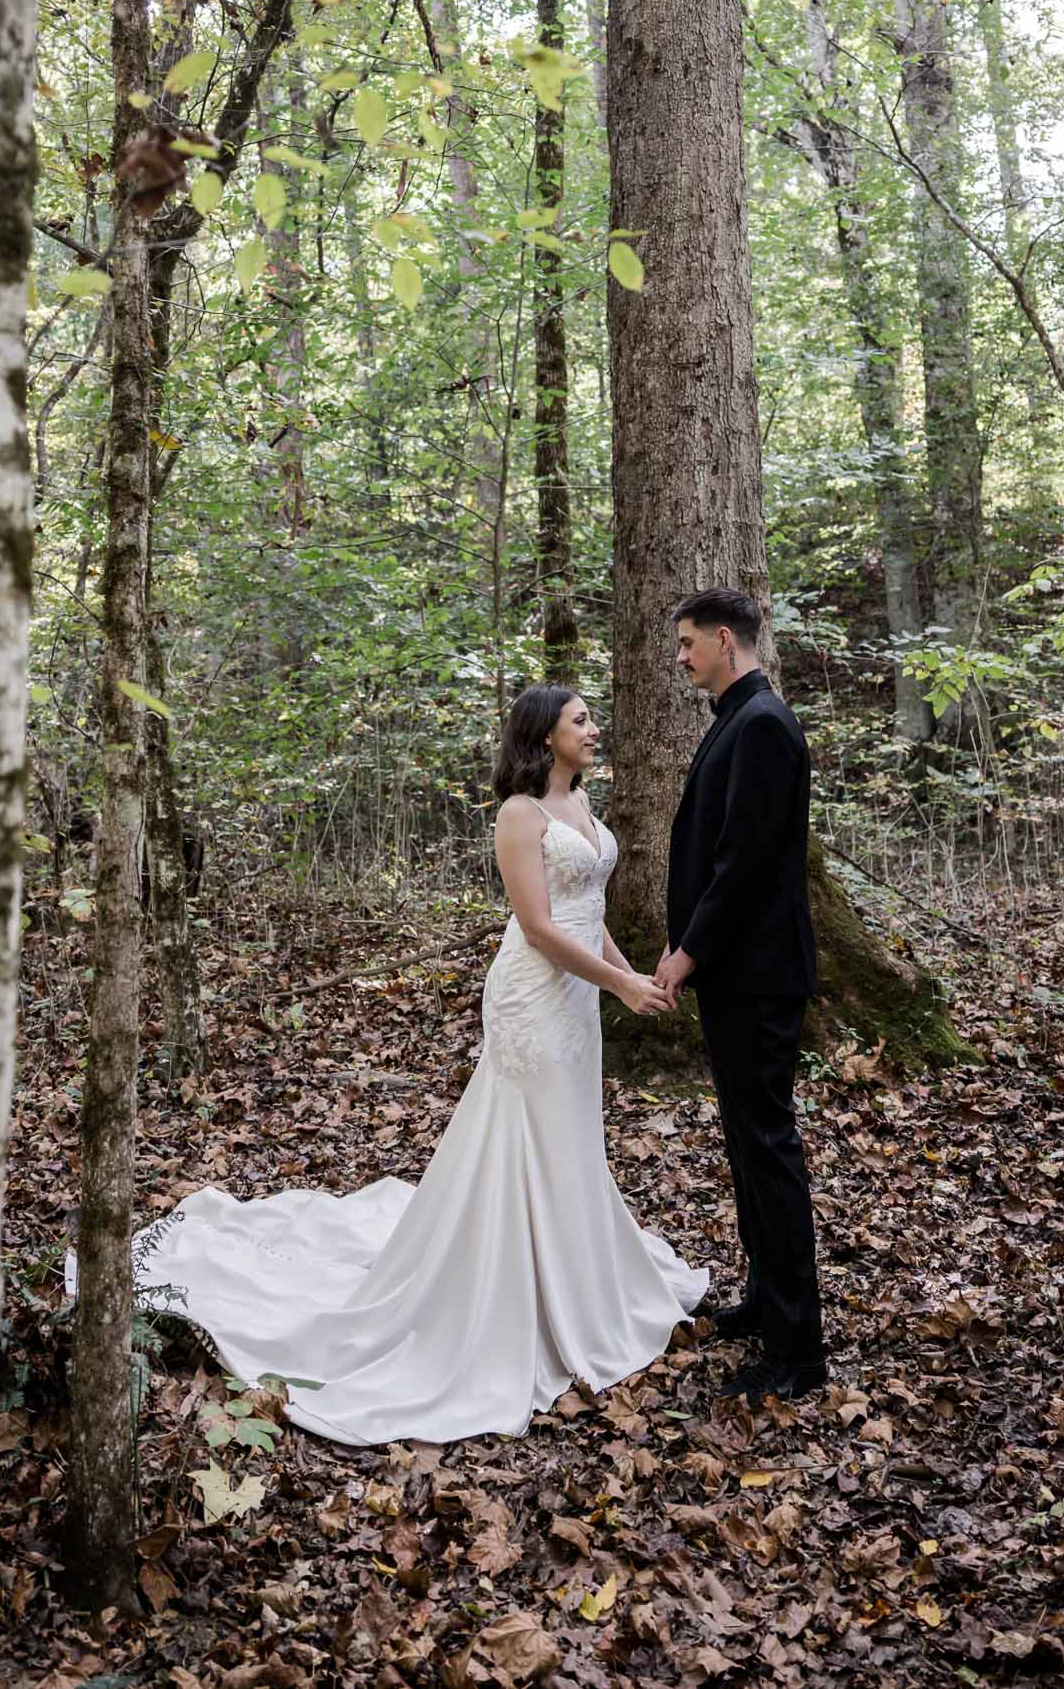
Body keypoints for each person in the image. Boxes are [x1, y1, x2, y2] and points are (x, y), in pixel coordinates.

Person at [106, 684, 705, 1446]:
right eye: (579, 719)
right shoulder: (520, 816)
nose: (594, 729)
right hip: (532, 996)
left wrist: (632, 981)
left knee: (571, 1136)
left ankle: (578, 1276)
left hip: (579, 999)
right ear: (542, 735)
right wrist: (617, 981)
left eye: (589, 718)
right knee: (528, 1134)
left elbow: (589, 918)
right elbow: (539, 928)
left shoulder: (586, 808)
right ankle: (512, 1293)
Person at [655, 587, 825, 1404]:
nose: (681, 656)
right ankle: (764, 1300)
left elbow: (744, 863)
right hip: (740, 973)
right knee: (747, 1148)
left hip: (756, 974)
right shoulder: (738, 716)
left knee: (766, 1147)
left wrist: (686, 952)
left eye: (689, 642)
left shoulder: (761, 725)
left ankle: (798, 1350)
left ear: (726, 639)